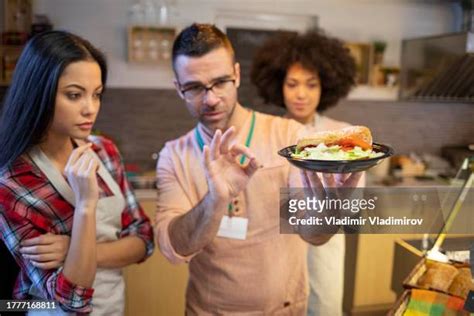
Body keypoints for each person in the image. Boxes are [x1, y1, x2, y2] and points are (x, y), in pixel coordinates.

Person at [155, 23, 362, 315]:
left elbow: (313, 234)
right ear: (179, 89)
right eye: (195, 87)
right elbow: (174, 248)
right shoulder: (173, 155)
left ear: (236, 75)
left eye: (220, 82)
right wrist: (215, 198)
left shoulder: (288, 137)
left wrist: (329, 209)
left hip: (284, 309)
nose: (211, 98)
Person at [0, 31, 154, 315]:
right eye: (74, 95)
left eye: (96, 95)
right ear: (39, 93)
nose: (90, 109)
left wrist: (75, 248)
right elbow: (70, 300)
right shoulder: (13, 182)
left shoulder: (104, 150)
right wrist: (85, 205)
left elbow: (144, 239)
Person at [251, 29, 360, 316]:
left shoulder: (341, 134)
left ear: (326, 86)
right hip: (276, 250)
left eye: (311, 85)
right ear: (278, 86)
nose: (301, 94)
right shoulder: (267, 134)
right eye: (292, 84)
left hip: (324, 252)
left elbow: (353, 202)